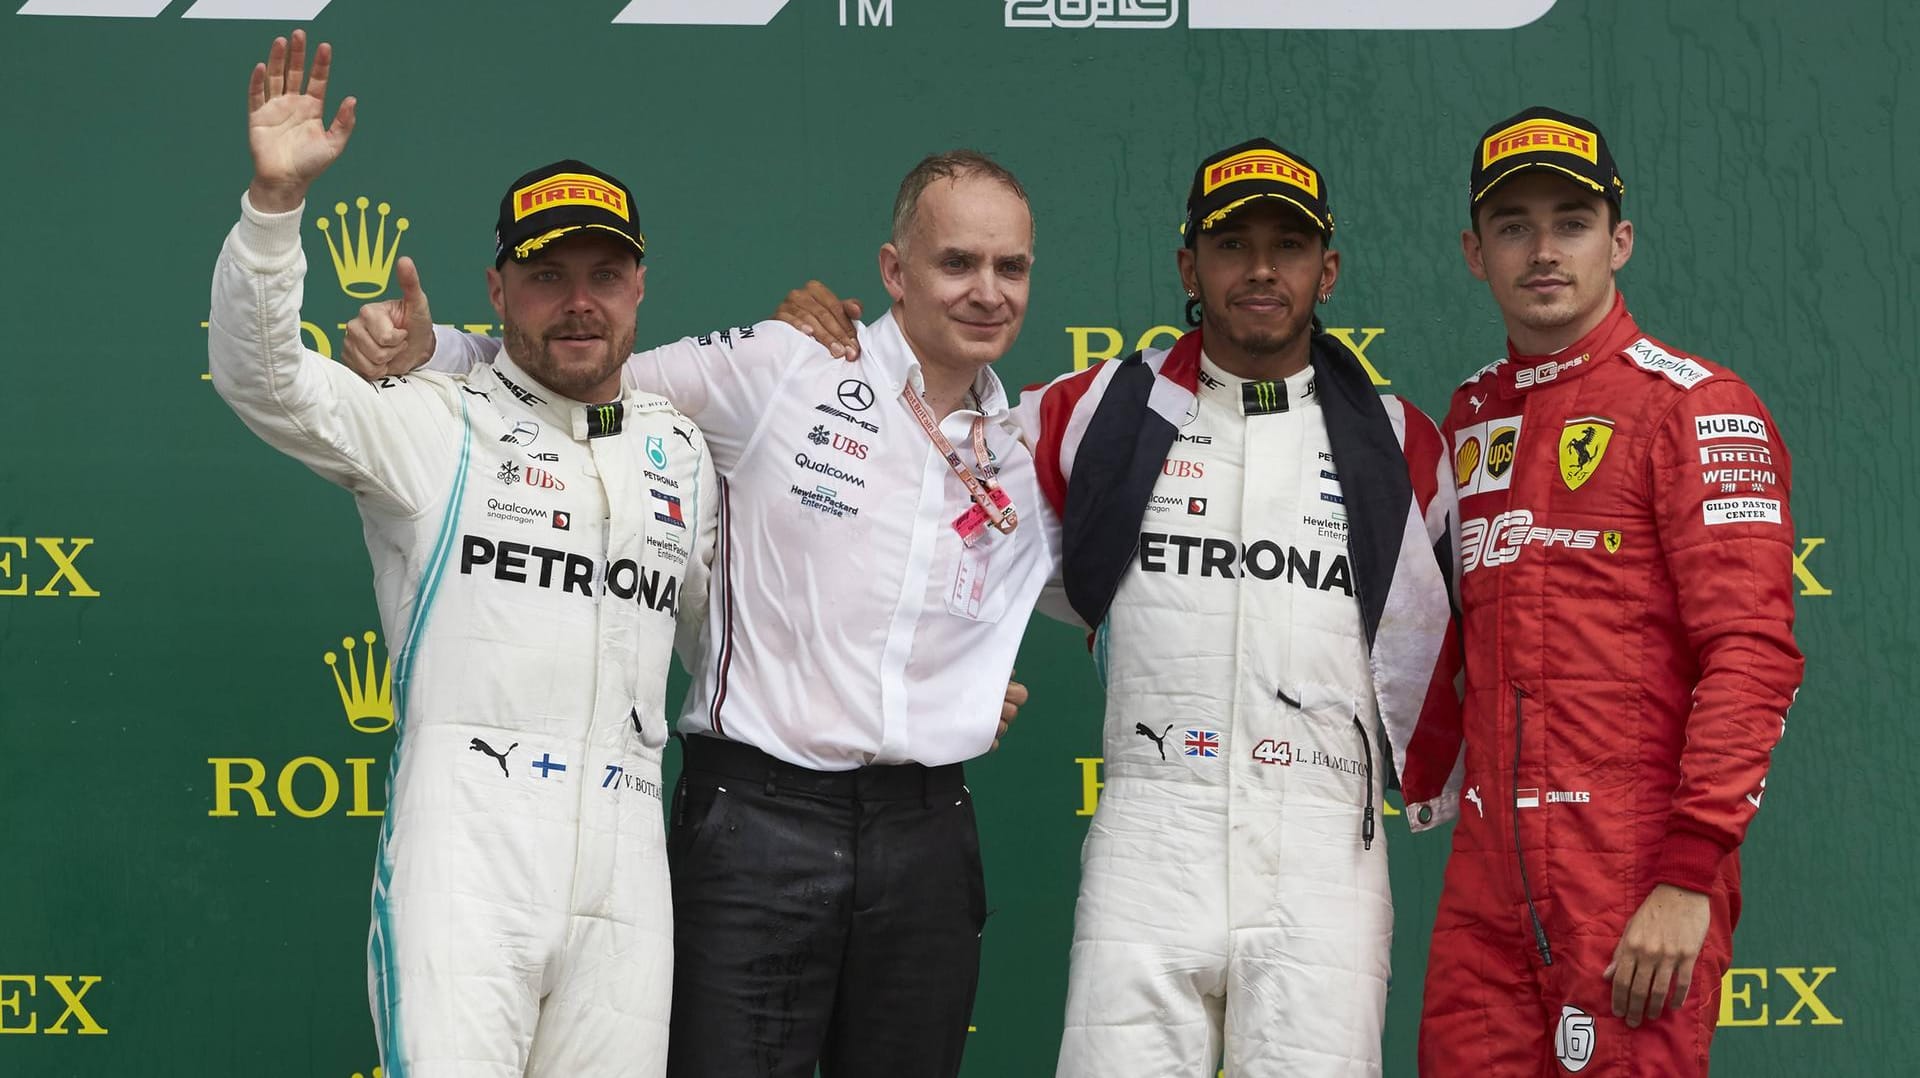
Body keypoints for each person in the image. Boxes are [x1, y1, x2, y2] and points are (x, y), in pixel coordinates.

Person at [341, 151, 1056, 1078]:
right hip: (758, 823)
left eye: (1011, 268)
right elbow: (590, 371)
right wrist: (429, 352)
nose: (986, 292)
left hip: (925, 832)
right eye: (958, 263)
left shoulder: (1028, 444)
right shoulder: (784, 362)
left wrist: (957, 690)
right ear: (893, 271)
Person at [785, 138, 1465, 1077]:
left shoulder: (1405, 446)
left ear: (1329, 269)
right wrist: (828, 358)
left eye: (1289, 245)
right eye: (1232, 245)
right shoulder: (1098, 407)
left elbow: (1492, 632)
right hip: (1151, 828)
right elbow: (922, 469)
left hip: (1323, 852)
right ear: (1189, 265)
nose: (1261, 269)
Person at [208, 32, 715, 1078]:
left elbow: (744, 652)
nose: (578, 300)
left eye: (604, 274)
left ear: (640, 288)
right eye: (546, 276)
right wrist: (272, 212)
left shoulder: (681, 449)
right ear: (496, 287)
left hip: (630, 871)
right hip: (467, 856)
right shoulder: (434, 421)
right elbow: (266, 380)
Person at [1418, 106, 1804, 1076]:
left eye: (1572, 221)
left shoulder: (1695, 405)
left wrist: (1689, 874)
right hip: (1488, 887)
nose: (1543, 250)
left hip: (1635, 874)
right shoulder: (1469, 418)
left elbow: (1752, 653)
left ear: (1619, 241)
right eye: (1513, 225)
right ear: (1474, 251)